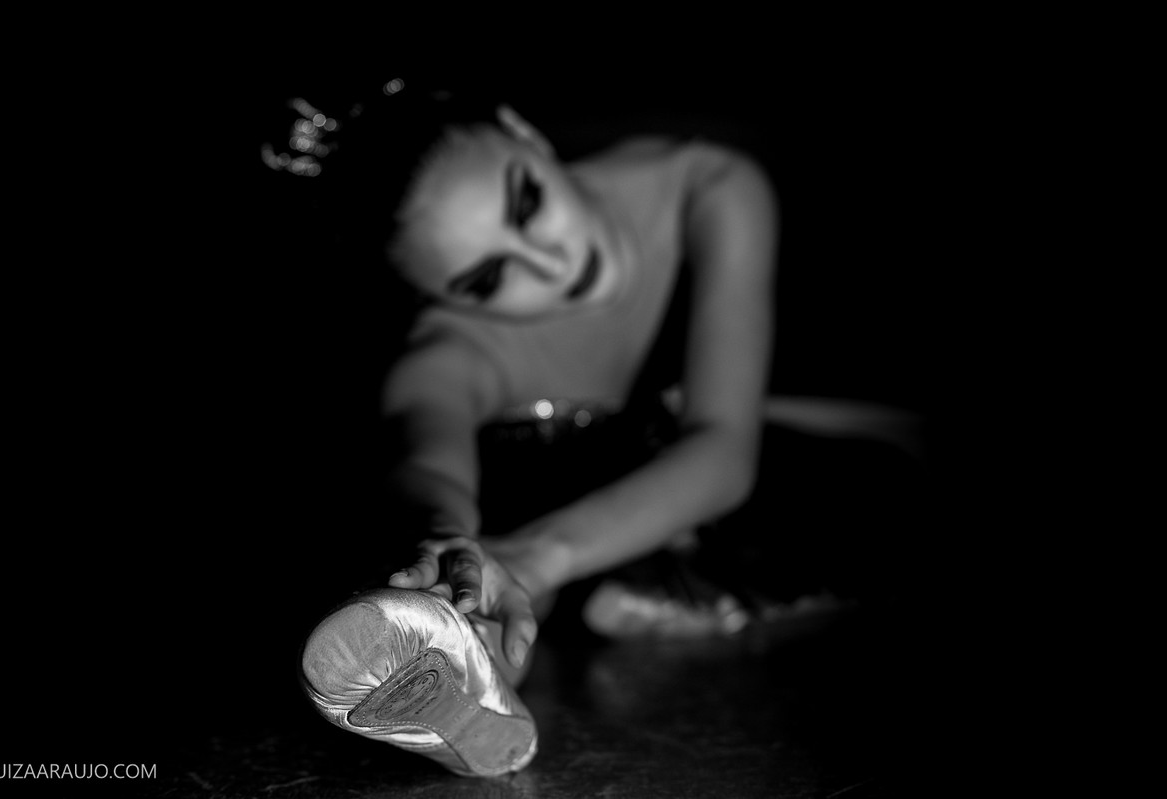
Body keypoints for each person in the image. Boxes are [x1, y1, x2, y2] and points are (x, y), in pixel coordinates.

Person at [294, 79, 918, 777]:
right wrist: (447, 541)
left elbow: (724, 450)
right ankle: (462, 660)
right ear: (431, 296)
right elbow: (429, 461)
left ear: (523, 130)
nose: (552, 264)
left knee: (868, 483)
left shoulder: (706, 185)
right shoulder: (447, 354)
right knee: (491, 568)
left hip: (723, 485)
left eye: (528, 204)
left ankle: (680, 584)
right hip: (554, 525)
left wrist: (535, 555)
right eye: (488, 279)